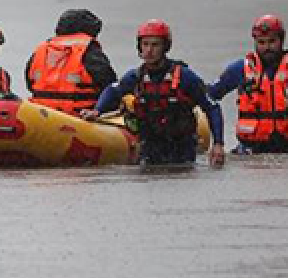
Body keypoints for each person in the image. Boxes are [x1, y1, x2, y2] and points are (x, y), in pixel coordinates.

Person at [82, 19, 225, 167]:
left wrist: (218, 144)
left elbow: (212, 108)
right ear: (139, 47)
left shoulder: (185, 77)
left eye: (155, 45)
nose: (149, 50)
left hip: (182, 151)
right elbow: (112, 91)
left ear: (165, 47)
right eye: (145, 44)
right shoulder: (135, 77)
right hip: (149, 149)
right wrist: (97, 111)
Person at [208, 14, 288, 154]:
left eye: (272, 41)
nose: (267, 47)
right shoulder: (240, 69)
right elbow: (210, 97)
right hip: (249, 152)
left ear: (281, 40)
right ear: (255, 42)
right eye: (261, 42)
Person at [25, 8, 117, 116]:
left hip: (41, 114)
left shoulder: (41, 50)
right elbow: (110, 84)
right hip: (78, 116)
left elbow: (29, 83)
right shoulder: (88, 50)